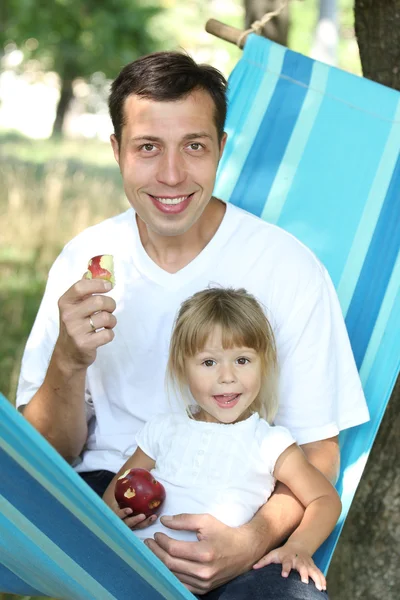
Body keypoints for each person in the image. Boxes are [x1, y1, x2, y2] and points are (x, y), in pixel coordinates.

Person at [16, 51, 369, 598]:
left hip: (242, 504)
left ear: (222, 148)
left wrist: (252, 540)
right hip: (113, 497)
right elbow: (45, 458)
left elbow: (320, 456)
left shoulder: (287, 267)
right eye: (148, 147)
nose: (173, 174)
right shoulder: (84, 261)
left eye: (195, 146)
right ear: (116, 151)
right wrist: (69, 358)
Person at [103, 287, 342, 595]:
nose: (227, 376)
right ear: (181, 367)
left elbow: (325, 500)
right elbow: (113, 496)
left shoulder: (268, 442)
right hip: (133, 573)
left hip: (216, 583)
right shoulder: (162, 429)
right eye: (209, 363)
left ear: (263, 364)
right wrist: (124, 514)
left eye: (242, 360)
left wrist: (298, 546)